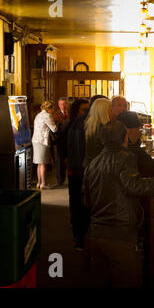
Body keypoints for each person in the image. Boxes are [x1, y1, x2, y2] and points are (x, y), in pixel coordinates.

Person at [83, 120, 154, 287]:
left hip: (95, 234)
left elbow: (86, 200)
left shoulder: (92, 164)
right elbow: (134, 186)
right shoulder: (126, 158)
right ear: (125, 138)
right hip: (121, 234)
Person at [118, 111, 154, 177]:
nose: (140, 132)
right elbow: (150, 166)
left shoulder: (119, 148)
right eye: (138, 129)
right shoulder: (131, 154)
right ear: (127, 130)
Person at [64, 98, 90, 251]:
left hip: (76, 169)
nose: (86, 113)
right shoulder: (75, 126)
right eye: (84, 110)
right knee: (79, 203)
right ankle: (79, 237)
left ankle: (79, 236)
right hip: (78, 170)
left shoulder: (74, 125)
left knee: (77, 203)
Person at [32, 100, 58, 189]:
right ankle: (43, 183)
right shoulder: (47, 116)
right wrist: (57, 122)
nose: (53, 110)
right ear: (49, 108)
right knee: (43, 164)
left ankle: (39, 183)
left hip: (35, 140)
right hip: (42, 141)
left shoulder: (38, 115)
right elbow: (54, 129)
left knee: (39, 164)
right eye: (52, 108)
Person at [84, 98, 112, 167]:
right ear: (104, 111)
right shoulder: (104, 129)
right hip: (100, 166)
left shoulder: (91, 126)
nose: (112, 112)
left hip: (91, 165)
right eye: (110, 109)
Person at [52, 97, 69, 185]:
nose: (63, 106)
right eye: (61, 104)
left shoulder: (70, 113)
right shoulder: (55, 114)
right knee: (60, 160)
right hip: (60, 140)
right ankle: (60, 179)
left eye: (64, 104)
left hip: (69, 140)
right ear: (58, 105)